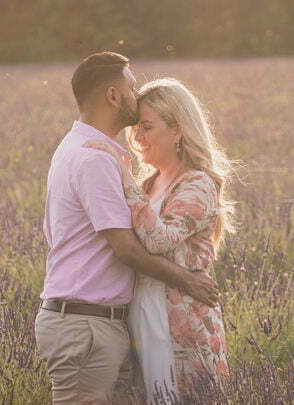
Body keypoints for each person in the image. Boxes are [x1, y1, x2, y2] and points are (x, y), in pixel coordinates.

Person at [34, 52, 219, 404]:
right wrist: (187, 279)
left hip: (114, 323)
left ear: (178, 130)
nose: (136, 95)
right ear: (113, 96)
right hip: (87, 324)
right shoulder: (97, 159)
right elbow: (128, 249)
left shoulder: (81, 150)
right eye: (131, 88)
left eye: (148, 128)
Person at [85, 77, 233, 403]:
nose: (137, 137)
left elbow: (157, 240)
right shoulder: (150, 183)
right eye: (135, 127)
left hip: (181, 320)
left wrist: (121, 174)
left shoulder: (197, 184)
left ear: (178, 130)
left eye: (147, 127)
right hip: (144, 312)